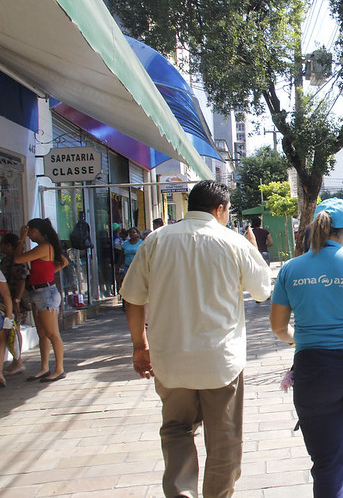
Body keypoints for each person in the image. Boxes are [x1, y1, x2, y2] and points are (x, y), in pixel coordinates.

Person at [121, 180, 272, 498]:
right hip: (220, 362)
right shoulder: (232, 242)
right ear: (220, 209)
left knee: (176, 429)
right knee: (224, 438)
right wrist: (253, 249)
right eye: (228, 210)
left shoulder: (156, 240)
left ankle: (181, 493)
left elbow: (133, 298)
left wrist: (139, 346)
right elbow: (262, 291)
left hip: (169, 359)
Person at [270, 198, 343, 498]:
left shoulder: (291, 269)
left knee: (327, 461)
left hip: (313, 371)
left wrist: (300, 340)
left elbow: (278, 326)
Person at [15, 218, 68, 382]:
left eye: (30, 231)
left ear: (36, 230)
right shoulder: (44, 247)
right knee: (42, 334)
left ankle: (59, 368)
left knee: (52, 333)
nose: (29, 234)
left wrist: (21, 239)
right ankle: (44, 367)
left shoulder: (45, 247)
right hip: (39, 291)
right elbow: (64, 261)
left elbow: (17, 259)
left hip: (46, 293)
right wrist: (49, 273)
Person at [0, 234, 30, 377]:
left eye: (3, 244)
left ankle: (18, 361)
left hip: (13, 300)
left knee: (14, 329)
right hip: (7, 301)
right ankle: (16, 360)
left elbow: (21, 281)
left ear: (9, 245)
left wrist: (16, 300)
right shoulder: (7, 260)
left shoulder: (18, 260)